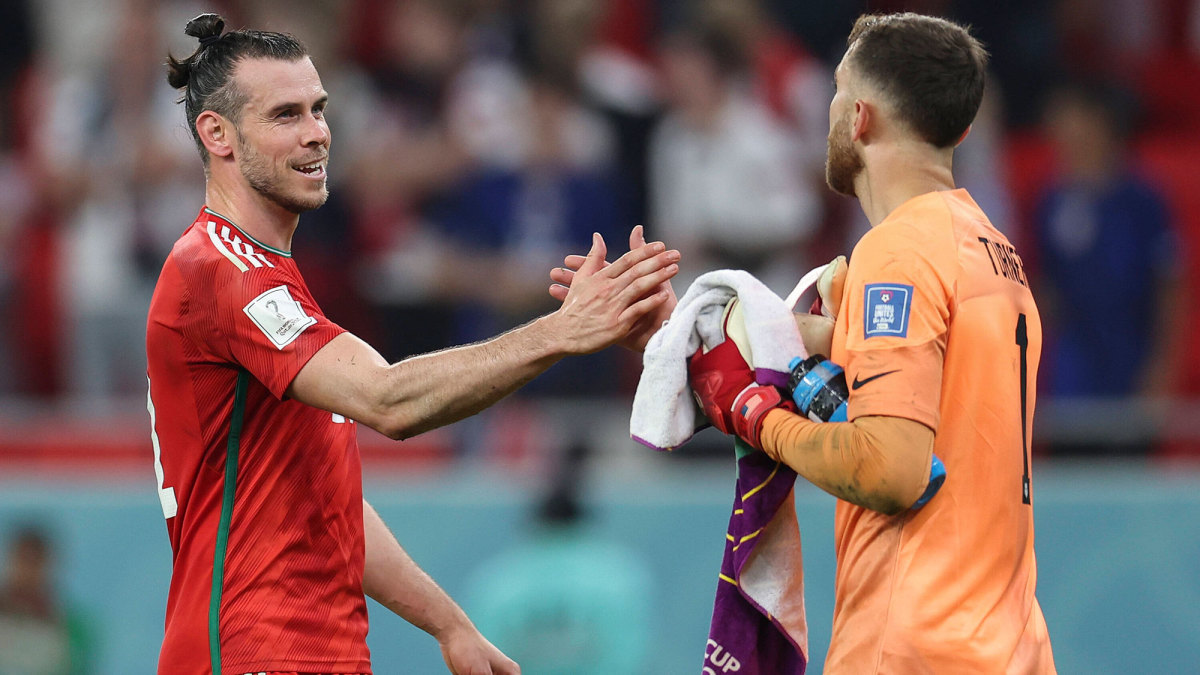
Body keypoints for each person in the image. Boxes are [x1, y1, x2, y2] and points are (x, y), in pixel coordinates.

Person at [146, 14, 678, 675]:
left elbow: (328, 501)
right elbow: (389, 399)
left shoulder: (269, 279)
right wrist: (561, 331)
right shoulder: (218, 270)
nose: (316, 133)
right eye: (285, 115)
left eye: (319, 109)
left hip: (312, 650)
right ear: (217, 135)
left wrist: (449, 624)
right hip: (250, 650)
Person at [556, 11, 1056, 673]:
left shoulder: (898, 255)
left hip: (915, 645)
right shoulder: (991, 253)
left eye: (837, 91)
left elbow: (891, 467)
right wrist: (692, 335)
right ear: (960, 128)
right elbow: (869, 378)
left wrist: (759, 419)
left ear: (860, 118)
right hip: (1010, 644)